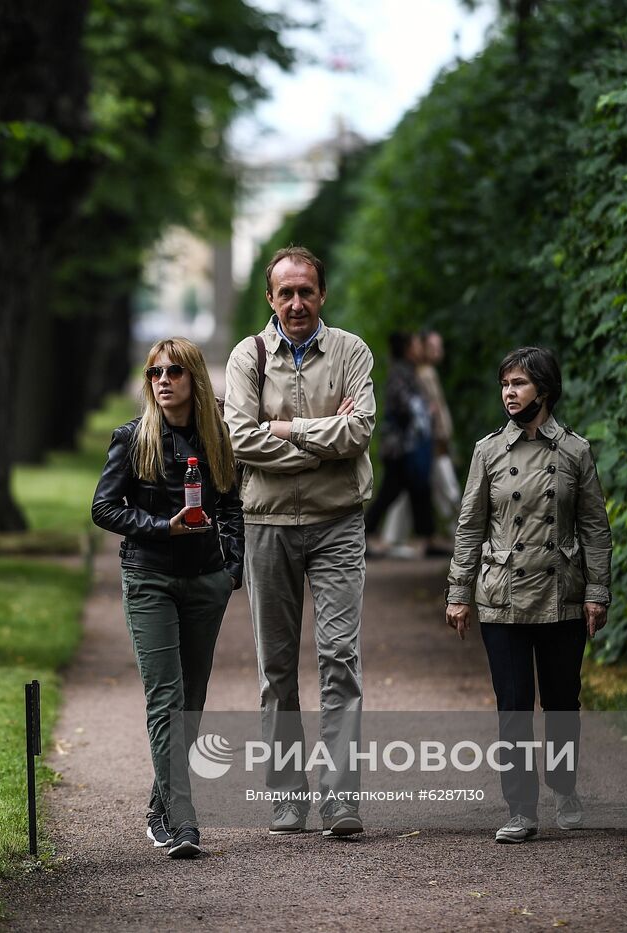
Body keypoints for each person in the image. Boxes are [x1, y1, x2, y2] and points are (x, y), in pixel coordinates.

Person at [224, 245, 375, 838]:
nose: (296, 302)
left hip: (339, 522)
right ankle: (288, 798)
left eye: (305, 291)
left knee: (340, 659)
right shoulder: (246, 356)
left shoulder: (351, 351)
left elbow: (359, 430)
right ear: (270, 299)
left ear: (322, 294)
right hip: (267, 525)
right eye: (285, 293)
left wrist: (282, 428)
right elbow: (239, 438)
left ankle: (341, 801)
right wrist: (322, 438)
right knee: (276, 667)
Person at [444, 346, 612, 844]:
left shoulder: (575, 452)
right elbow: (470, 526)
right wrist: (459, 593)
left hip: (561, 591)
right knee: (513, 705)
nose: (509, 393)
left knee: (562, 700)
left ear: (544, 388)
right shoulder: (488, 451)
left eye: (518, 383)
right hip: (502, 595)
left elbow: (595, 527)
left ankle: (563, 787)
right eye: (505, 384)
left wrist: (597, 590)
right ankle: (520, 808)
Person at [91, 337, 244, 860]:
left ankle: (160, 805)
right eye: (155, 372)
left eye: (174, 372)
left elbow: (231, 505)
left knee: (193, 703)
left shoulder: (216, 437)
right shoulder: (132, 439)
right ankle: (184, 822)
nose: (163, 381)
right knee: (165, 701)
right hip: (149, 579)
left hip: (206, 583)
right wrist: (163, 527)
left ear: (194, 379)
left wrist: (231, 568)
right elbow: (104, 509)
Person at [365, 331, 434, 558]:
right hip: (400, 448)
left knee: (418, 491)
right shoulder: (400, 373)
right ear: (406, 349)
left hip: (406, 446)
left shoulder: (406, 371)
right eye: (415, 344)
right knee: (390, 493)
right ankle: (362, 538)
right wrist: (423, 408)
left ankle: (427, 539)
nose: (419, 349)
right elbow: (403, 406)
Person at [417, 330, 460, 534]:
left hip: (434, 440)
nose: (439, 351)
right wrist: (441, 438)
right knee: (449, 488)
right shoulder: (425, 374)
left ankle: (456, 533)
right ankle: (461, 535)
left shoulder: (426, 372)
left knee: (435, 489)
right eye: (434, 347)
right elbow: (434, 411)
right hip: (434, 441)